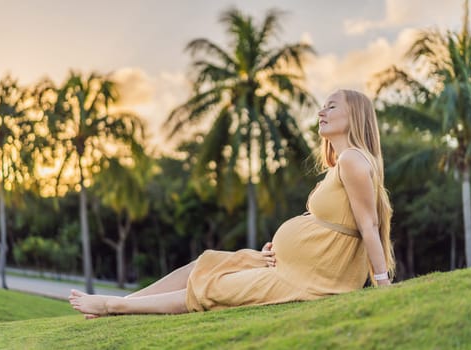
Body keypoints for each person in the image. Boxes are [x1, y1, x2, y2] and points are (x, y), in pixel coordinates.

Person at [69, 89, 395, 318]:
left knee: (215, 287)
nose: (321, 112)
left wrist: (382, 285)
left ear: (355, 115)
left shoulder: (354, 160)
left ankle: (115, 307)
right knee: (207, 263)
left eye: (332, 106)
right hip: (290, 265)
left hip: (309, 277)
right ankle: (124, 300)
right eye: (323, 105)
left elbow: (368, 225)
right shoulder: (342, 164)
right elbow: (332, 222)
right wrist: (285, 247)